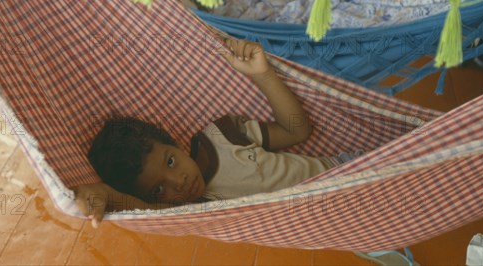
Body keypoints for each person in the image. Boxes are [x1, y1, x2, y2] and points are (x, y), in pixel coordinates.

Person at [74, 39, 360, 228]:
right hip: (326, 220)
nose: (179, 182)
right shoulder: (193, 209)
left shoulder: (223, 136)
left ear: (174, 143)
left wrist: (262, 75)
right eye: (158, 189)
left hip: (350, 173)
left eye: (170, 161)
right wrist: (106, 194)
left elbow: (296, 130)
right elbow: (142, 210)